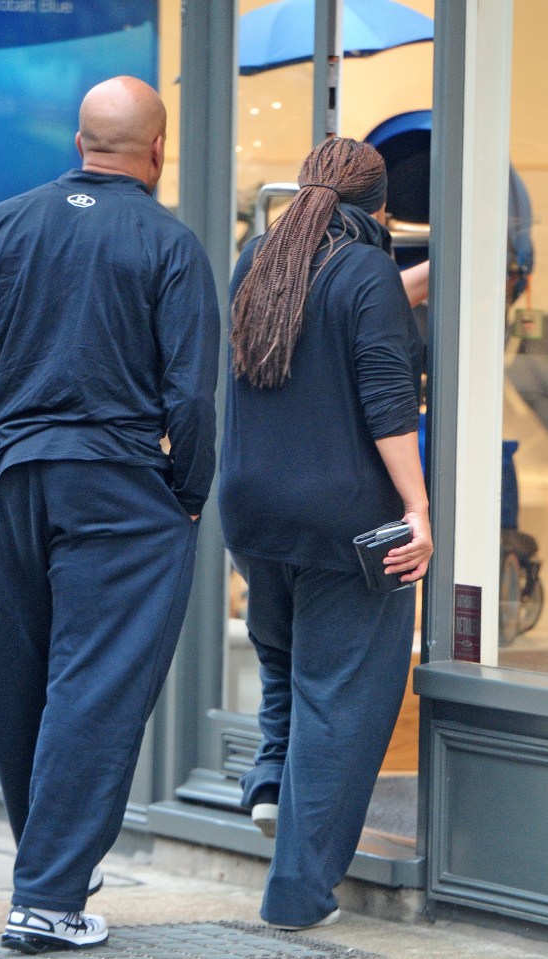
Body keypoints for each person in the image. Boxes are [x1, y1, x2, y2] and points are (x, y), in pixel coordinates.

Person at [0, 76, 219, 952]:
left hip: (15, 480)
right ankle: (47, 896)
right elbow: (190, 396)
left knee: (25, 681)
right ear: (158, 148)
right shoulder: (169, 244)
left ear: (78, 141)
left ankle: (48, 878)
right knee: (95, 687)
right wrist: (186, 496)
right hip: (116, 487)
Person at [218, 137, 433, 931]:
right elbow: (384, 399)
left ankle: (271, 781)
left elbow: (322, 324)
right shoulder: (365, 270)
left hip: (255, 512)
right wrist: (417, 508)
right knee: (339, 701)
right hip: (348, 524)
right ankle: (298, 895)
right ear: (378, 210)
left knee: (282, 664)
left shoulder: (258, 259)